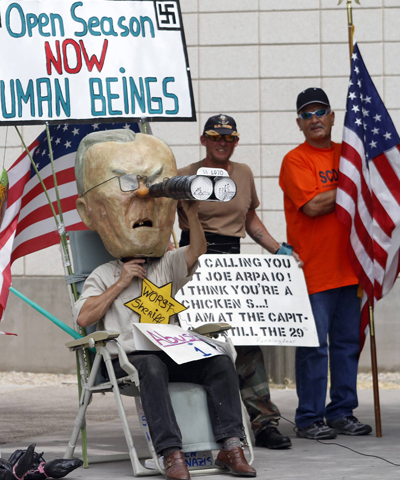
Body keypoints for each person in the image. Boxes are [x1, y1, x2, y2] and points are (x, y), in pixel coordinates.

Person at [73, 130, 256, 480]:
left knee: (219, 362)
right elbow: (84, 317)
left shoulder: (164, 264)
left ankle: (231, 446)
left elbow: (197, 251)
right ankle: (171, 454)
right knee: (152, 369)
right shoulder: (102, 274)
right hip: (130, 358)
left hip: (174, 350)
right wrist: (121, 282)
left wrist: (191, 212)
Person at [176, 114, 300, 450]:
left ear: (235, 142)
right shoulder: (186, 174)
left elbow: (249, 219)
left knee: (246, 344)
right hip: (194, 263)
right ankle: (202, 425)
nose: (222, 143)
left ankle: (264, 423)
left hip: (233, 264)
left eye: (229, 138)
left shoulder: (243, 174)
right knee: (198, 343)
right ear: (204, 140)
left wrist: (279, 250)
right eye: (215, 137)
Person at [278, 87, 372, 440]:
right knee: (314, 348)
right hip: (314, 271)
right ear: (299, 124)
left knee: (348, 344)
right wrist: (352, 185)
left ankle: (342, 412)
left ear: (333, 117)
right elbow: (313, 206)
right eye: (307, 114)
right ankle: (309, 418)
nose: (315, 119)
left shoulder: (348, 156)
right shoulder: (295, 160)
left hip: (351, 268)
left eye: (321, 112)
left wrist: (358, 178)